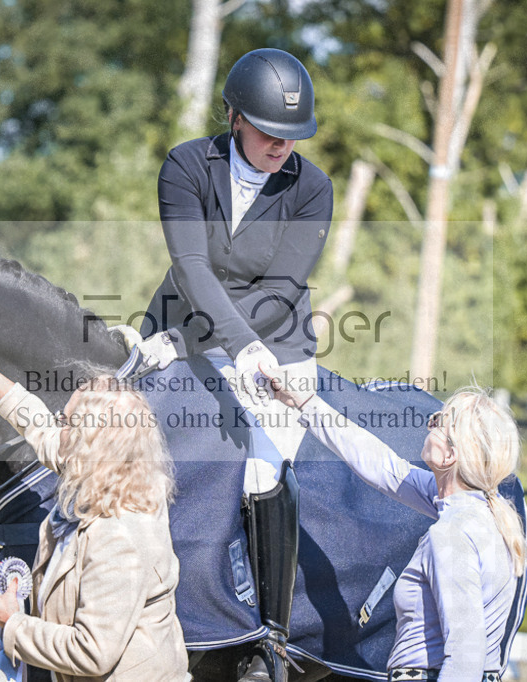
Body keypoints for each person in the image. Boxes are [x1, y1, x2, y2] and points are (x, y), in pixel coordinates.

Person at [118, 47, 333, 682]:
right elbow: (190, 267)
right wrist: (185, 341)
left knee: (263, 467)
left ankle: (269, 636)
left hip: (276, 347)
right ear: (235, 116)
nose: (281, 146)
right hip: (176, 329)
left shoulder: (312, 188)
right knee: (112, 441)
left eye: (292, 135)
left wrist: (216, 345)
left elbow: (281, 288)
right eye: (268, 131)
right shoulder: (187, 164)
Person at [0, 322, 189, 682]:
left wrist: (12, 623)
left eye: (67, 422)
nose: (57, 425)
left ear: (90, 444)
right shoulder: (117, 474)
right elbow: (36, 423)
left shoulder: (119, 536)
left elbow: (92, 653)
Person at [266, 369, 527, 682]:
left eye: (438, 422)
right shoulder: (478, 512)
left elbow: (465, 656)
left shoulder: (452, 534)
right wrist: (306, 402)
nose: (429, 425)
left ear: (451, 455)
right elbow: (382, 466)